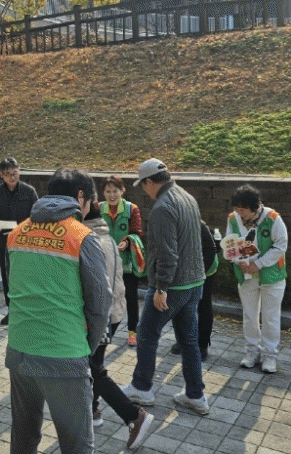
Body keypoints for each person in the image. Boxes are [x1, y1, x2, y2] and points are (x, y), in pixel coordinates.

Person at [5, 169, 111, 454]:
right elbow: (101, 302)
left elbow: (13, 288)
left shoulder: (17, 233)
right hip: (64, 354)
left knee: (23, 437)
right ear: (80, 197)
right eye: (91, 201)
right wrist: (87, 347)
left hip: (20, 350)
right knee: (77, 444)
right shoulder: (83, 237)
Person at [120, 158, 209, 416]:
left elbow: (168, 254)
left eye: (142, 185)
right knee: (189, 340)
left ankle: (142, 387)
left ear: (150, 182)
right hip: (195, 282)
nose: (143, 190)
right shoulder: (187, 197)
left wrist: (161, 288)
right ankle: (195, 395)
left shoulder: (162, 207)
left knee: (146, 333)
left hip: (174, 286)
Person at [83, 199, 154, 450]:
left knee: (92, 368)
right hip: (111, 312)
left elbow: (95, 288)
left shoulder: (90, 241)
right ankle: (93, 411)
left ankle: (134, 416)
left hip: (101, 315)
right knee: (93, 364)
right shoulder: (104, 237)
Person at [226, 184, 288, 374]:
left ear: (254, 207)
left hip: (272, 275)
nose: (239, 213)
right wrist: (238, 261)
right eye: (237, 209)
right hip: (246, 276)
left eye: (243, 210)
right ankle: (252, 351)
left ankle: (270, 355)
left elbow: (281, 245)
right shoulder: (233, 219)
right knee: (249, 315)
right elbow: (230, 244)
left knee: (270, 317)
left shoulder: (272, 218)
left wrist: (258, 264)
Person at [0, 157, 38, 325]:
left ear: (19, 172)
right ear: (1, 175)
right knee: (8, 276)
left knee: (27, 276)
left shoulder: (29, 191)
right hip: (5, 241)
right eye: (8, 174)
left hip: (25, 242)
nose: (12, 177)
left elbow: (37, 215)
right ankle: (12, 310)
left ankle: (29, 311)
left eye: (15, 173)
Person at [100, 175, 145, 347]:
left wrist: (127, 242)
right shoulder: (99, 208)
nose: (112, 195)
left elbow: (138, 233)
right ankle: (105, 332)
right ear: (103, 192)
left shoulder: (131, 209)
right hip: (105, 262)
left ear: (122, 191)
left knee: (131, 298)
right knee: (104, 298)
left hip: (126, 263)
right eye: (108, 191)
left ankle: (133, 332)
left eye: (115, 191)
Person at [171, 221, 220, 361]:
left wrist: (198, 274)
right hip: (184, 267)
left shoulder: (197, 225)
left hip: (206, 266)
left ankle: (202, 345)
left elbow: (210, 250)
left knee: (204, 304)